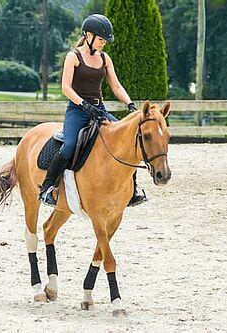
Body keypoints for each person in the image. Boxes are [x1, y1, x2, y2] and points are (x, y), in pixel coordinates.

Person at [38, 14, 147, 208]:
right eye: (101, 39)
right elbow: (66, 88)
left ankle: (133, 190)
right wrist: (83, 105)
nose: (104, 43)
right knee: (70, 144)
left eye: (105, 40)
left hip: (99, 109)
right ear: (88, 35)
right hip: (77, 111)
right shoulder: (74, 56)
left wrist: (130, 104)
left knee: (127, 139)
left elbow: (116, 86)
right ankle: (47, 188)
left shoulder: (105, 58)